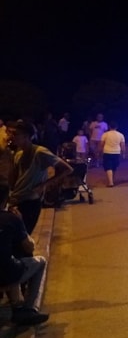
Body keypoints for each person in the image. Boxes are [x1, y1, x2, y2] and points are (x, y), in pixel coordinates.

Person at [7, 120, 73, 235]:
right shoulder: (18, 154)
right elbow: (15, 179)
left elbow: (67, 169)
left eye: (15, 134)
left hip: (31, 201)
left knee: (23, 237)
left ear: (26, 136)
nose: (12, 137)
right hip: (16, 200)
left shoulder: (40, 152)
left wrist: (44, 185)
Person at [0, 188, 50, 326]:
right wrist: (20, 222)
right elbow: (29, 247)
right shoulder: (10, 219)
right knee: (39, 262)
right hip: (5, 275)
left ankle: (17, 305)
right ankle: (27, 309)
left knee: (10, 260)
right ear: (6, 200)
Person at [100, 121, 125, 187]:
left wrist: (100, 151)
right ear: (117, 127)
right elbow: (122, 145)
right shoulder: (120, 135)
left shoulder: (105, 134)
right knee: (114, 167)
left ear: (109, 127)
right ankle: (112, 180)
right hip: (116, 152)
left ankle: (110, 182)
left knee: (108, 167)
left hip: (107, 152)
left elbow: (101, 144)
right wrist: (123, 153)